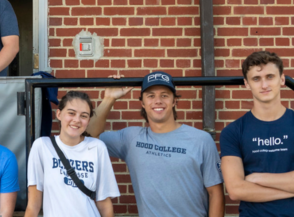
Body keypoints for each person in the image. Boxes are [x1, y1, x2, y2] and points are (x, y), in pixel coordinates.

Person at [87, 73, 225, 217]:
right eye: (151, 96)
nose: (158, 101)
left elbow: (215, 193)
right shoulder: (131, 138)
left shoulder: (201, 140)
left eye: (164, 95)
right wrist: (109, 98)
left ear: (174, 101)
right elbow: (89, 135)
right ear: (142, 103)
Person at [220, 51, 294, 216]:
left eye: (270, 77)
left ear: (282, 79)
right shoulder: (232, 132)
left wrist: (256, 178)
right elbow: (236, 190)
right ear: (247, 84)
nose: (264, 85)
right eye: (256, 79)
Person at [24, 91, 119, 217]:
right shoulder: (42, 146)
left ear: (88, 120)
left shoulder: (97, 147)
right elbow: (33, 204)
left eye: (83, 116)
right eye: (71, 113)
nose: (77, 120)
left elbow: (104, 203)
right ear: (59, 114)